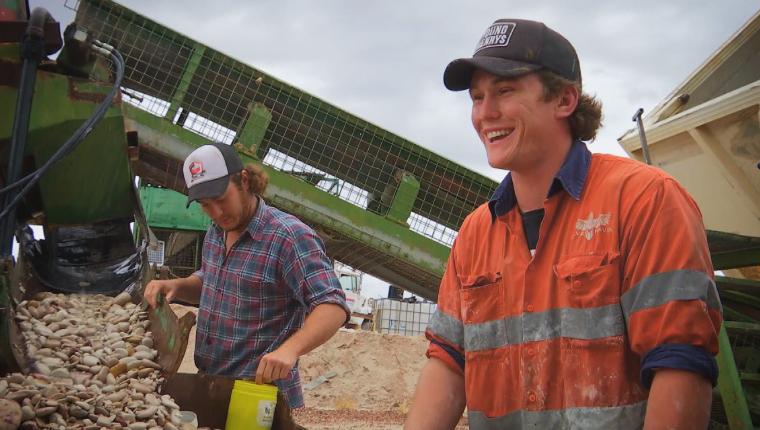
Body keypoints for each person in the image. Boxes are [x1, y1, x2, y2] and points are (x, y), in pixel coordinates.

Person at [405, 19, 722, 430]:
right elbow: (449, 361)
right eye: (477, 97)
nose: (485, 113)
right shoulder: (475, 232)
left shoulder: (644, 199)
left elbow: (680, 363)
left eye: (504, 91)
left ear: (565, 100)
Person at [144, 142, 350, 409]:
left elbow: (332, 305)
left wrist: (290, 350)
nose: (216, 213)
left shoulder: (288, 237)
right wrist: (177, 286)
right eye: (206, 205)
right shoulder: (215, 233)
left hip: (260, 397)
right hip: (210, 388)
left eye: (221, 199)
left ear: (243, 181)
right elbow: (213, 282)